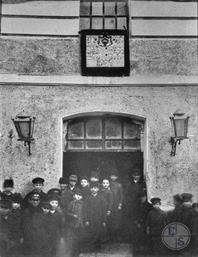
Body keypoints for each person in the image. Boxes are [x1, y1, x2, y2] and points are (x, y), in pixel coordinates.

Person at [83, 182, 107, 252]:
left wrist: (104, 220)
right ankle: (91, 247)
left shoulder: (101, 199)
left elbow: (104, 210)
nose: (94, 189)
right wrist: (86, 219)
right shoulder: (87, 199)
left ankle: (98, 247)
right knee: (91, 232)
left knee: (98, 232)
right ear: (90, 189)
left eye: (95, 188)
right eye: (92, 188)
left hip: (99, 218)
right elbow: (85, 210)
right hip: (90, 219)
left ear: (98, 189)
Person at [123, 172, 145, 242]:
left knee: (138, 221)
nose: (136, 176)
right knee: (131, 222)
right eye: (135, 175)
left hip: (139, 205)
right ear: (132, 176)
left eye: (138, 175)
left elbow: (143, 195)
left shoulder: (142, 184)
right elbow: (126, 195)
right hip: (131, 205)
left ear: (140, 176)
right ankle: (131, 238)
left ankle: (138, 239)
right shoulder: (129, 184)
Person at [22, 192, 43, 256]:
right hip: (28, 237)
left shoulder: (42, 211)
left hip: (39, 237)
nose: (35, 202)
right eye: (33, 200)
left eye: (37, 200)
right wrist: (22, 236)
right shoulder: (26, 211)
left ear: (39, 201)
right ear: (29, 201)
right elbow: (23, 225)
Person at [67, 189, 84, 257]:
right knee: (73, 238)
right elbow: (67, 212)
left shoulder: (83, 203)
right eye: (77, 195)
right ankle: (73, 253)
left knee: (80, 238)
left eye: (80, 195)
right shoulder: (71, 203)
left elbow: (85, 212)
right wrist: (73, 215)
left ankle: (79, 252)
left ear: (81, 197)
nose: (78, 197)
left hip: (81, 223)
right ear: (74, 196)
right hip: (73, 224)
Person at [109, 172, 123, 242]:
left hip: (116, 205)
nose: (113, 177)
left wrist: (120, 204)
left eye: (114, 176)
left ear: (117, 177)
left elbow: (121, 196)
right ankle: (110, 237)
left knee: (117, 220)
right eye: (112, 176)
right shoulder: (108, 184)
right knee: (110, 220)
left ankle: (117, 237)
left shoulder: (119, 185)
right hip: (110, 205)